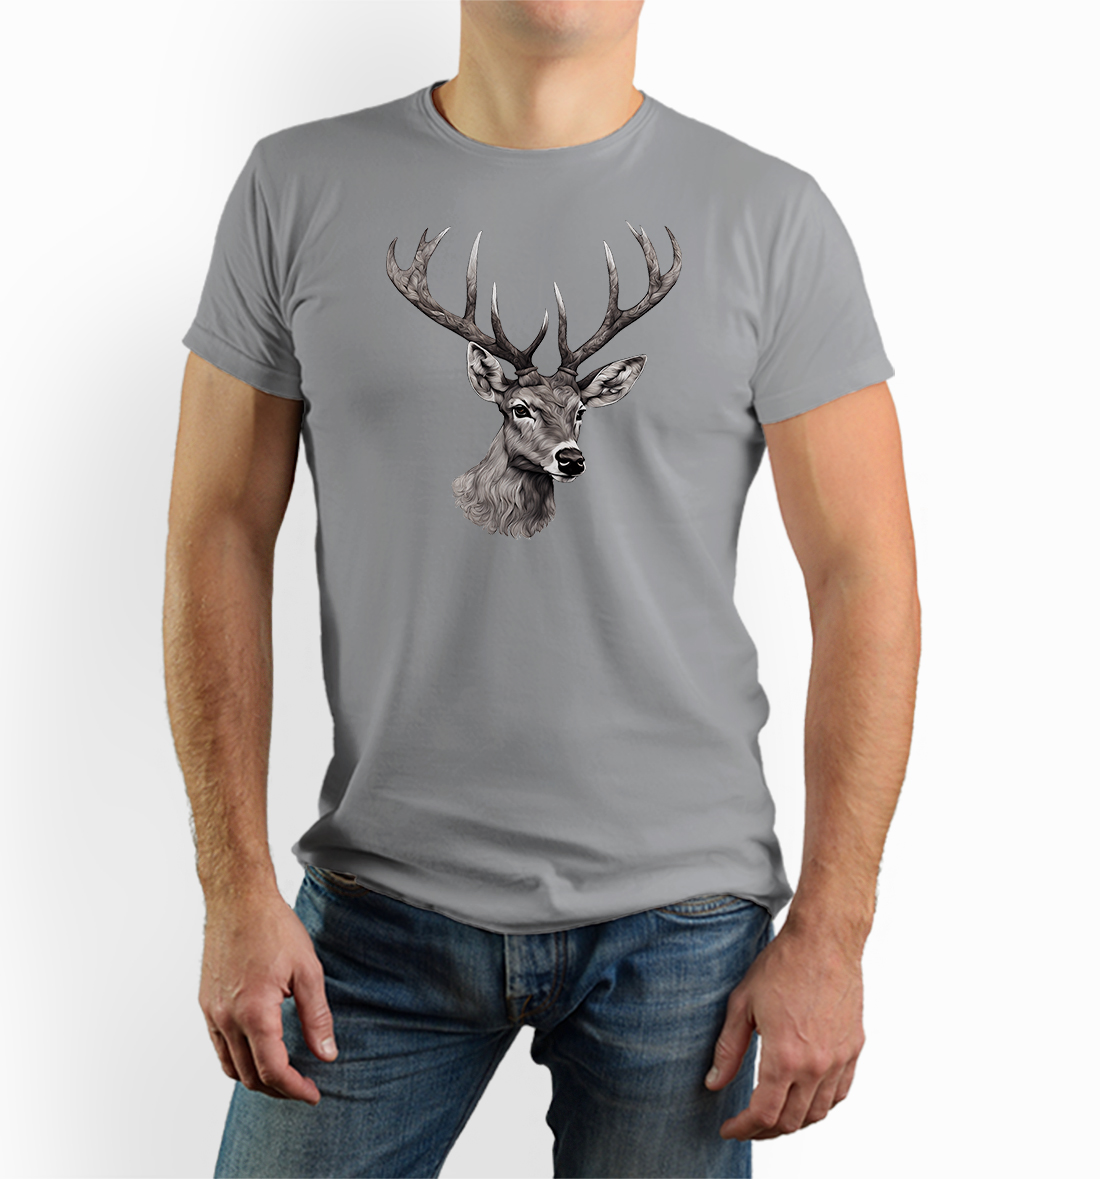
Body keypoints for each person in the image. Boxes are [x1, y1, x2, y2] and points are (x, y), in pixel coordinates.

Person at [163, 2, 920, 1175]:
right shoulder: (293, 189)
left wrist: (832, 927)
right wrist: (232, 890)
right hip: (374, 911)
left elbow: (864, 573)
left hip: (680, 928)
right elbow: (215, 530)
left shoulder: (769, 216)